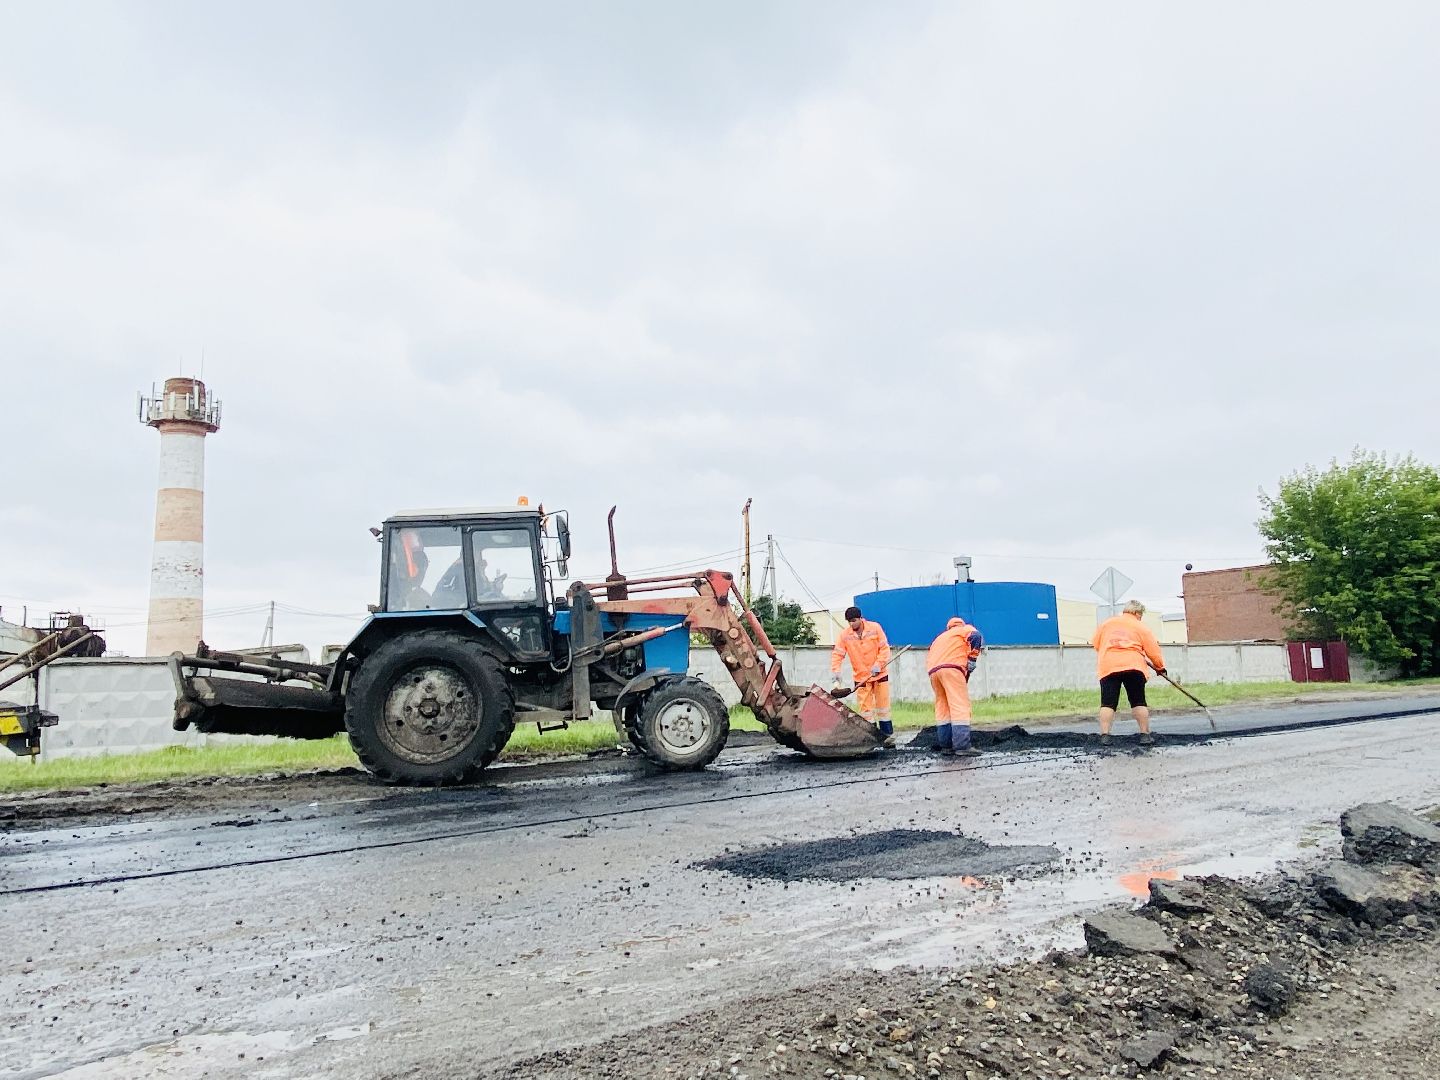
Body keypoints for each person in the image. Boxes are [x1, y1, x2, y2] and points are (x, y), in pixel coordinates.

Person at [1091, 599, 1166, 747]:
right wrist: (1160, 667)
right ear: (1137, 613)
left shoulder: (1107, 624)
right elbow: (1153, 650)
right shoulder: (1140, 627)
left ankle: (1105, 736)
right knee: (1138, 701)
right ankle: (1144, 735)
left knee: (1108, 703)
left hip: (1109, 665)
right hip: (1134, 665)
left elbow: (1096, 643)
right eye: (1141, 615)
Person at [831, 605, 894, 746]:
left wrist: (879, 664)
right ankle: (872, 741)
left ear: (860, 618)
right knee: (866, 711)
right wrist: (836, 675)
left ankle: (888, 739)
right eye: (849, 621)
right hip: (861, 679)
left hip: (880, 675)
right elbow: (837, 655)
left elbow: (884, 648)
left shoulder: (875, 628)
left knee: (883, 708)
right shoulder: (845, 635)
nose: (852, 624)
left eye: (854, 620)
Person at [926, 616, 984, 756]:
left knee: (943, 706)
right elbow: (976, 637)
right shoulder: (964, 629)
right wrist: (972, 659)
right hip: (952, 668)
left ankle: (946, 745)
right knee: (959, 704)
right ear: (960, 624)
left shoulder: (940, 638)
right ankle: (962, 745)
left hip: (933, 671)